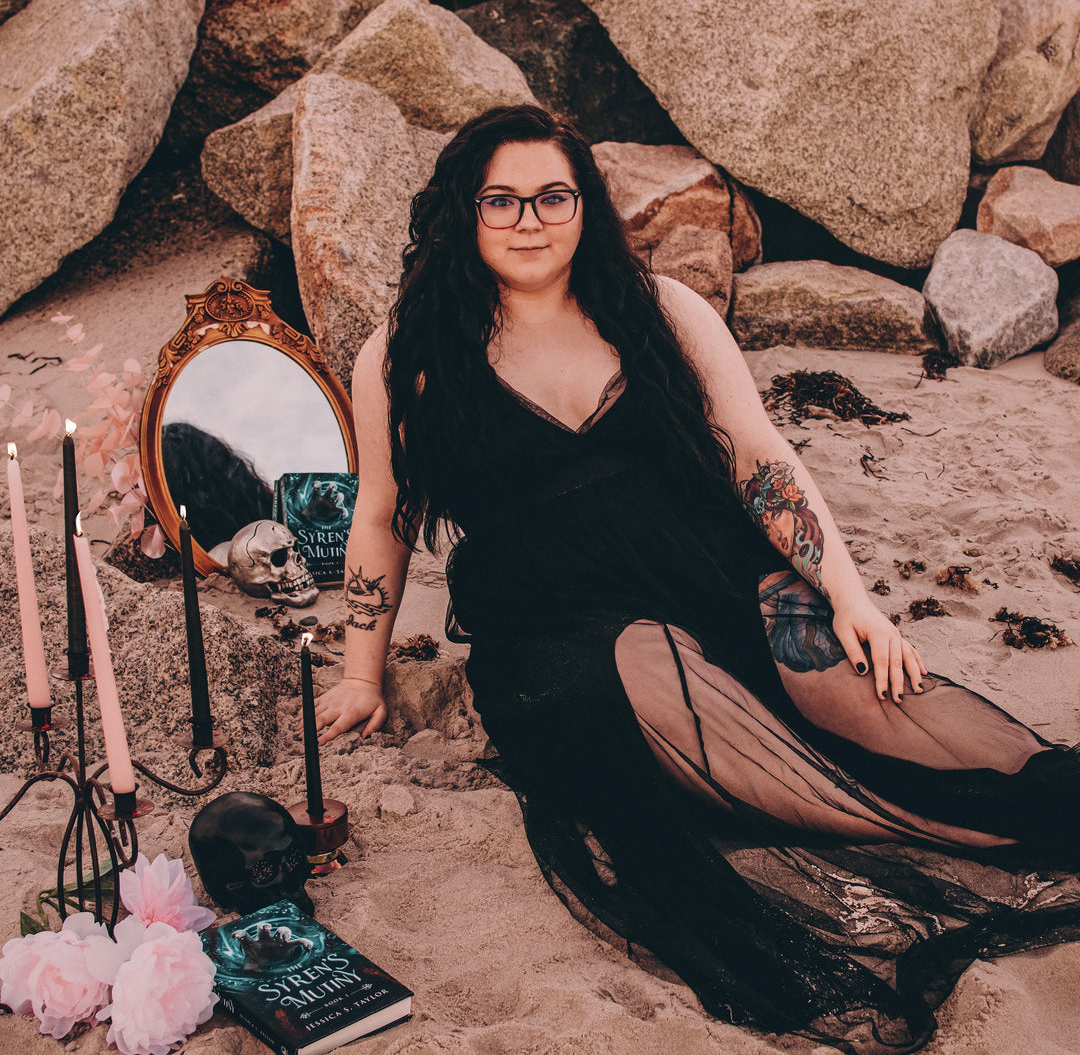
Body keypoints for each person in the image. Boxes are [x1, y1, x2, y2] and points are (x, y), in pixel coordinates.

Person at [312, 105, 1079, 1052]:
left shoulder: (664, 311)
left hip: (709, 568)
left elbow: (762, 461)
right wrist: (359, 671)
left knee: (852, 687)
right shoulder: (403, 357)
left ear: (584, 204)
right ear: (464, 215)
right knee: (679, 689)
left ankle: (1048, 808)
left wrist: (851, 595)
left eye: (552, 195)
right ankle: (975, 846)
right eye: (499, 200)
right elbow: (380, 517)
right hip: (555, 629)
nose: (527, 219)